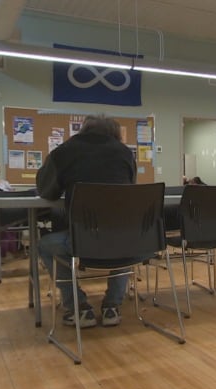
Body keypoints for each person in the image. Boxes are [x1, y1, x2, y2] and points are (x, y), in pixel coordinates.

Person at [36, 114, 136, 328]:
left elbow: (47, 191)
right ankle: (112, 306)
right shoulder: (125, 153)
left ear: (83, 129)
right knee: (123, 242)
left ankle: (78, 307)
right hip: (123, 239)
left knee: (44, 245)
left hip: (83, 242)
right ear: (115, 133)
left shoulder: (63, 151)